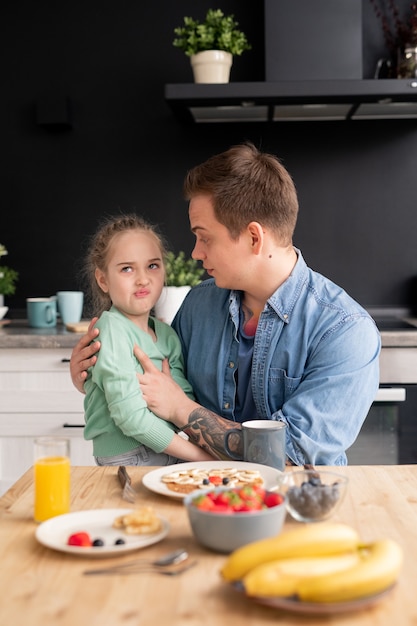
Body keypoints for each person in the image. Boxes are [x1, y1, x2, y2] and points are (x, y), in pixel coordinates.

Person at [71, 143, 381, 466]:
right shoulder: (198, 305)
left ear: (254, 239)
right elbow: (148, 386)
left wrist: (182, 409)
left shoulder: (345, 330)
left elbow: (289, 455)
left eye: (205, 237)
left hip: (295, 508)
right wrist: (92, 376)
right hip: (199, 499)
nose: (195, 252)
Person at [79, 213, 214, 466]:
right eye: (127, 268)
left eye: (152, 265)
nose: (143, 279)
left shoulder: (167, 335)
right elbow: (130, 417)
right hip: (129, 456)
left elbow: (183, 400)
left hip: (170, 450)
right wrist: (202, 457)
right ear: (103, 280)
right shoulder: (111, 330)